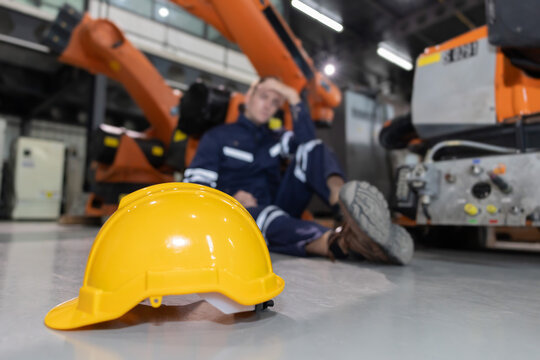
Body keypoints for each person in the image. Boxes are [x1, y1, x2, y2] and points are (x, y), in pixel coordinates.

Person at [183, 77, 413, 265]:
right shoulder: (217, 137)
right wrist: (230, 200)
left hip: (278, 203)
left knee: (313, 149)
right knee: (265, 217)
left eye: (275, 102)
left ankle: (346, 209)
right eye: (264, 97)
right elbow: (195, 189)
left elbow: (307, 142)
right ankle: (346, 243)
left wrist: (293, 97)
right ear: (249, 97)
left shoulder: (276, 138)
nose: (268, 106)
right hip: (238, 214)